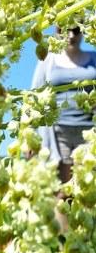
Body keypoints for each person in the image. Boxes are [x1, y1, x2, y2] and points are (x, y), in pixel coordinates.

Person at [31, 26, 96, 183]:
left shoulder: (94, 58)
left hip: (91, 132)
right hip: (58, 131)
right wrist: (30, 137)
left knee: (87, 185)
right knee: (61, 189)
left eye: (76, 30)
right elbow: (35, 95)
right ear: (56, 32)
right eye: (65, 30)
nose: (71, 35)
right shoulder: (48, 60)